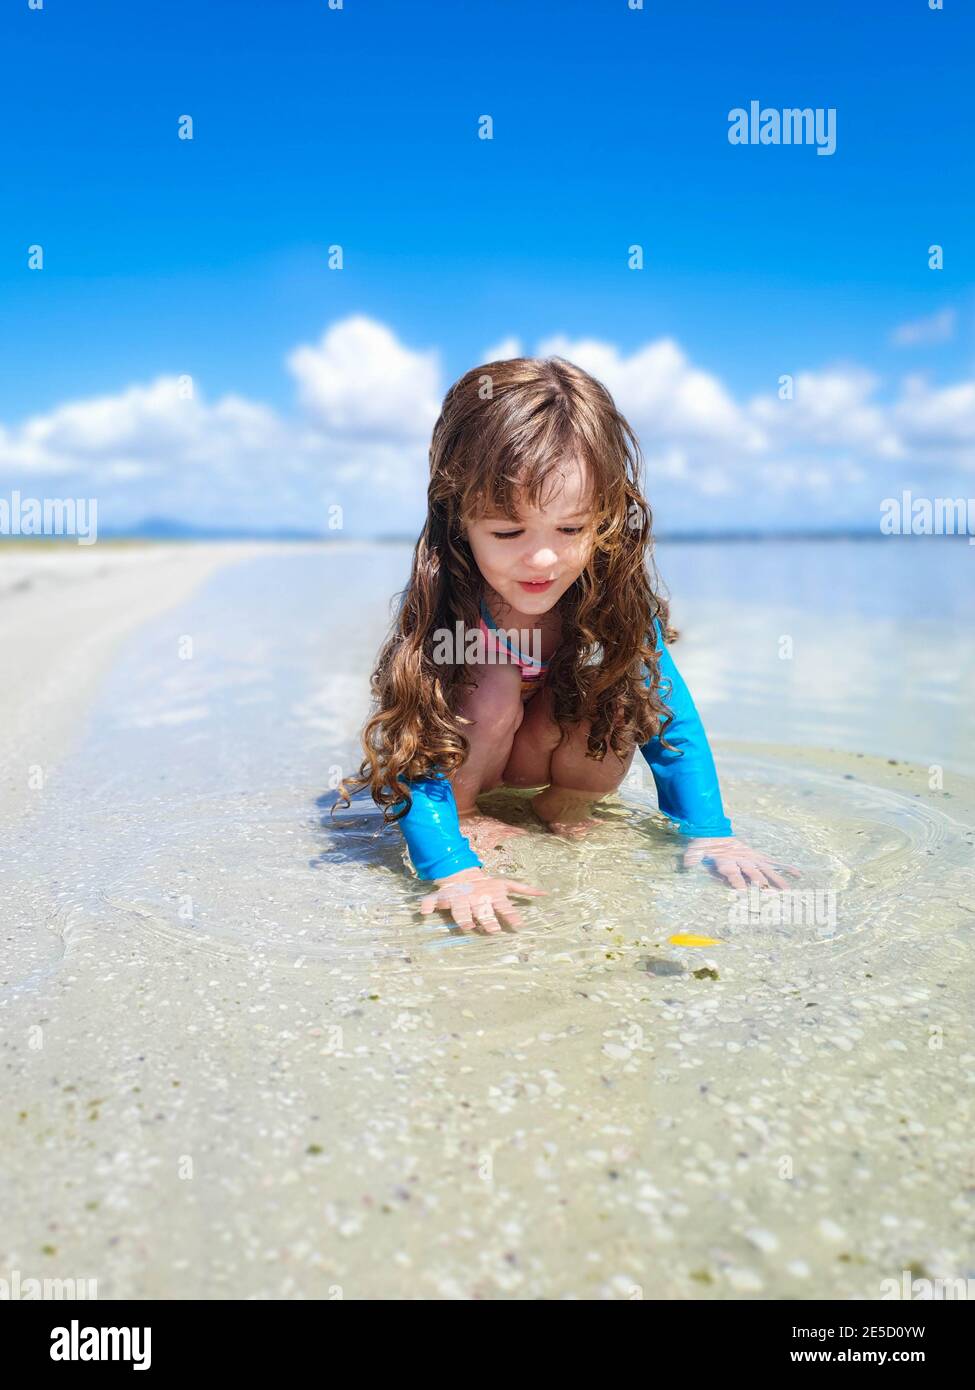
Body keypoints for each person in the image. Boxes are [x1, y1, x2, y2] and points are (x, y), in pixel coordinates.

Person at [335, 356, 796, 933]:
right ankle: (472, 813)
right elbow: (417, 742)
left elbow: (671, 718)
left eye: (572, 529)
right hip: (470, 759)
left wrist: (710, 832)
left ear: (604, 517)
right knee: (490, 680)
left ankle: (566, 803)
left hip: (544, 753)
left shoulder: (607, 598)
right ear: (457, 517)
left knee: (624, 685)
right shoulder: (446, 604)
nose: (543, 560)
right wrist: (452, 868)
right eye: (507, 533)